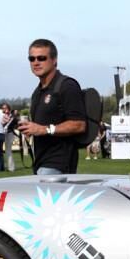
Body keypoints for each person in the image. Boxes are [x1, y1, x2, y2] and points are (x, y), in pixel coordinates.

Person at [17, 39, 86, 175]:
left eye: (41, 58)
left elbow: (79, 124)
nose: (36, 62)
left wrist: (45, 129)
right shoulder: (37, 92)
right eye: (32, 59)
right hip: (40, 162)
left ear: (54, 60)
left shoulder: (67, 86)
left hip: (58, 164)